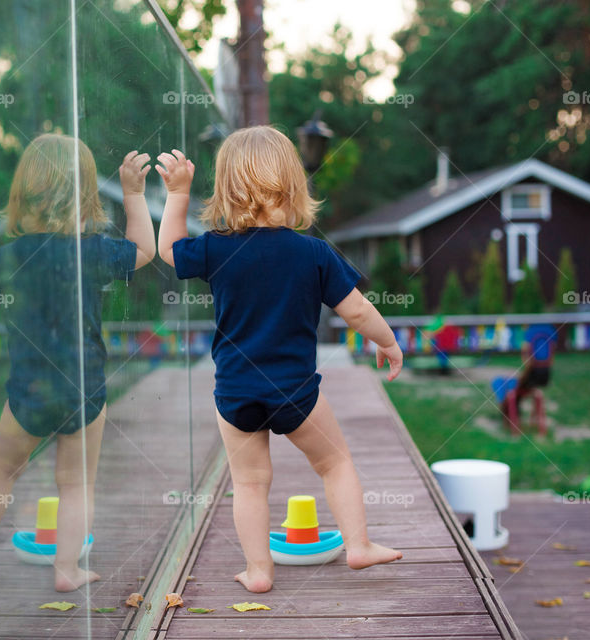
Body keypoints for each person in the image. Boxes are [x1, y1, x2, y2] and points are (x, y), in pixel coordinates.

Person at [156, 126, 404, 594]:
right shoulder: (312, 253)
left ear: (228, 189)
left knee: (249, 484)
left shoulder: (214, 247)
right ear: (293, 186)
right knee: (334, 464)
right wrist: (387, 342)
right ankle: (358, 545)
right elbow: (355, 309)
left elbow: (169, 251)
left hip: (234, 392)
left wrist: (177, 194)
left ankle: (259, 572)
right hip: (295, 391)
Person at [0, 135, 156, 592]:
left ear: (22, 195)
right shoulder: (93, 250)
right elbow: (143, 252)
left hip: (29, 393)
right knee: (76, 485)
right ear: (87, 195)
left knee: (1, 469)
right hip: (84, 388)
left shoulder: (7, 258)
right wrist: (134, 196)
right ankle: (67, 570)